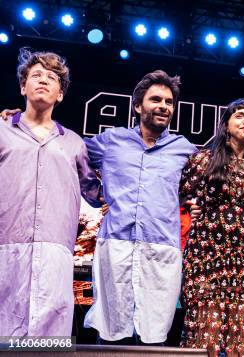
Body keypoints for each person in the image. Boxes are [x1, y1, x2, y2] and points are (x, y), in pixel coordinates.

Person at [82, 70, 198, 344]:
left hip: (161, 247)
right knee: (111, 331)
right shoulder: (112, 141)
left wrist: (189, 204)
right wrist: (95, 193)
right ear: (138, 106)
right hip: (116, 243)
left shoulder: (183, 149)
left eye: (169, 102)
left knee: (153, 335)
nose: (163, 106)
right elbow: (71, 153)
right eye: (156, 99)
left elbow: (205, 182)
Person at [0, 48, 101, 336]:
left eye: (52, 77)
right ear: (23, 87)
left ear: (60, 94)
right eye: (36, 75)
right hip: (6, 250)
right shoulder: (2, 129)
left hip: (55, 253)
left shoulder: (75, 144)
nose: (43, 80)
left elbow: (95, 195)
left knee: (50, 341)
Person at [179, 99, 244, 356]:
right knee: (205, 331)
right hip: (207, 256)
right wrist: (192, 207)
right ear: (226, 126)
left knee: (242, 337)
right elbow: (176, 195)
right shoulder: (204, 161)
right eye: (239, 116)